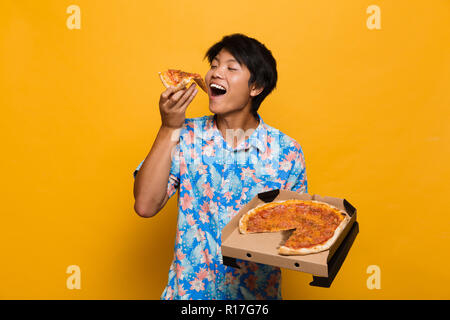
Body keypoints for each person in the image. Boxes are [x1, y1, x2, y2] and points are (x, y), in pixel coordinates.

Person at [133, 33, 307, 300]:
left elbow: (295, 235)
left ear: (256, 87)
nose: (216, 73)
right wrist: (169, 126)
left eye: (230, 67)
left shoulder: (287, 152)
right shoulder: (185, 135)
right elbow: (145, 205)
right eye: (214, 65)